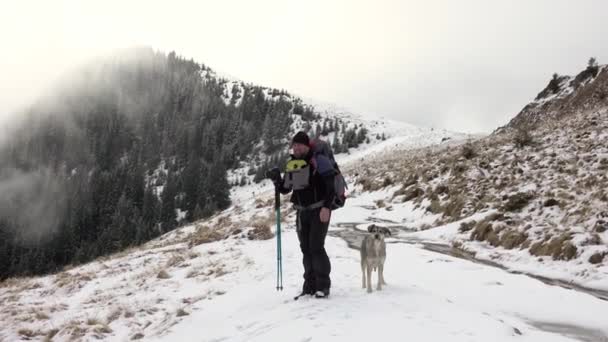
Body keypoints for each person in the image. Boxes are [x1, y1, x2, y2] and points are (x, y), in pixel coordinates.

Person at [270, 131, 336, 299]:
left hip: (319, 209)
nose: (296, 147)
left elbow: (331, 186)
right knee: (306, 249)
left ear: (306, 146)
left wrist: (327, 208)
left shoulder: (319, 161)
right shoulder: (293, 164)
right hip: (301, 212)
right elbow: (286, 189)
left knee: (316, 247)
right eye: (294, 145)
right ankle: (309, 285)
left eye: (299, 144)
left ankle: (323, 286)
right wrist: (277, 180)